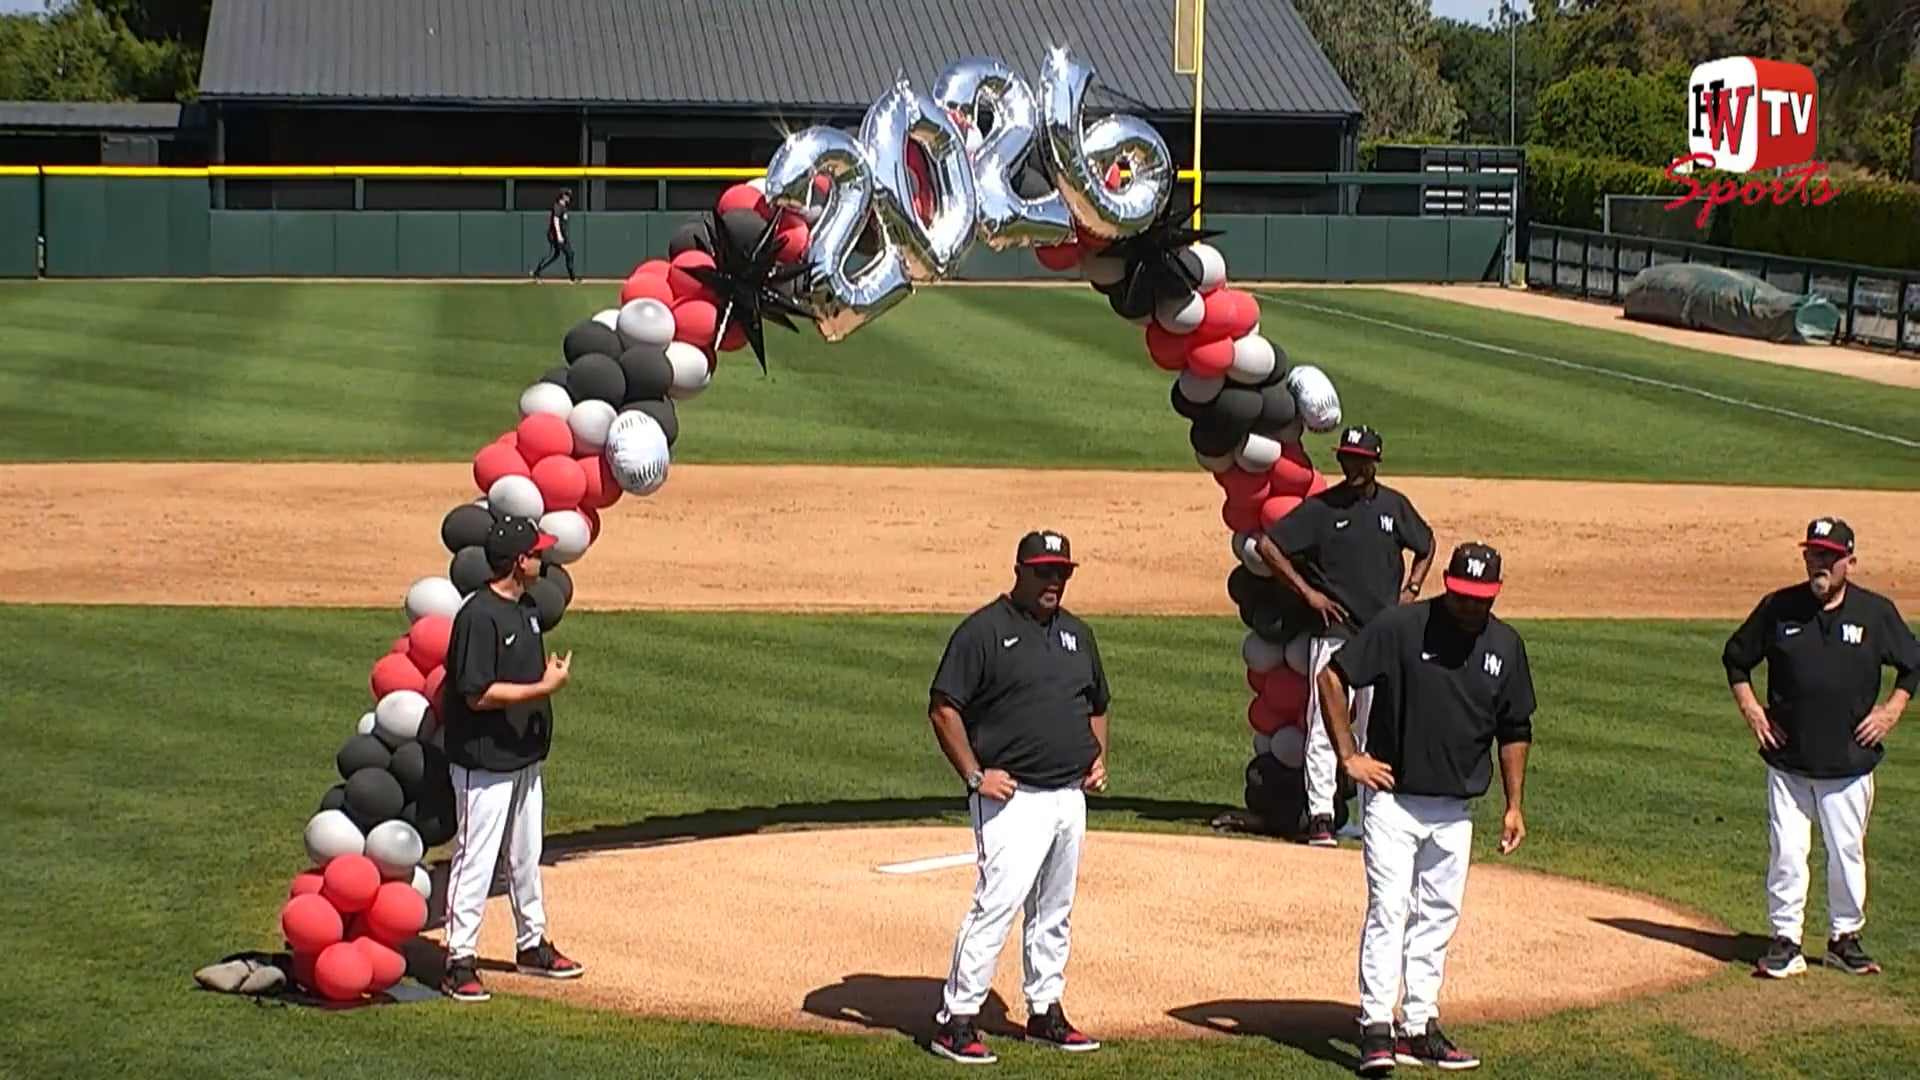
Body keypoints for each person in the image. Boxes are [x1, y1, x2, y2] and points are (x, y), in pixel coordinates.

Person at [1320, 541, 1533, 1075]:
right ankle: (1374, 1026)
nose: (1468, 606)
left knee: (1438, 917)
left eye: (1479, 599)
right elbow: (1332, 676)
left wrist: (1514, 805)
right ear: (1447, 583)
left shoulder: (1505, 646)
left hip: (1456, 809)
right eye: (1460, 595)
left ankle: (1418, 1024)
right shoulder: (1401, 627)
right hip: (1393, 801)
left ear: (1495, 594)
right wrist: (1350, 757)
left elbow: (1515, 728)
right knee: (1390, 910)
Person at [926, 529, 1111, 1064]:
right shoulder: (984, 631)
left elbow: (1097, 703)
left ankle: (1045, 1011)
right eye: (1045, 571)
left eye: (1063, 572)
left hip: (1066, 798)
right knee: (997, 905)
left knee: (1055, 909)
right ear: (1020, 571)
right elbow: (944, 707)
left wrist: (1096, 759)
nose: (1054, 581)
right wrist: (973, 775)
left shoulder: (1077, 634)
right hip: (1011, 798)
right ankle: (956, 1018)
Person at [1721, 517, 1918, 980]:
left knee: (1846, 852)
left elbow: (1913, 666)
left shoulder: (1876, 614)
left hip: (1848, 764)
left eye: (1830, 556)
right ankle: (1785, 941)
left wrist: (1891, 711)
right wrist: (1752, 712)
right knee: (1787, 852)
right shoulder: (1779, 607)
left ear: (1850, 560)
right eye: (1814, 553)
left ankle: (1843, 939)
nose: (1820, 563)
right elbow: (1736, 659)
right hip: (1789, 763)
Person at [1255, 424, 1434, 847]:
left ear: (1375, 462)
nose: (1353, 466)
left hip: (1381, 639)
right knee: (1323, 724)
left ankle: (1373, 814)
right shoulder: (1321, 509)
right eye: (1347, 458)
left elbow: (1425, 545)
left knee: (1377, 728)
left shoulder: (1394, 506)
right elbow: (1268, 546)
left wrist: (1411, 590)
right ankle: (1321, 814)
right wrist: (1308, 593)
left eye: (1361, 460)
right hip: (1335, 635)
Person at [438, 516, 585, 1002]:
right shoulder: (478, 616)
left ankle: (531, 943)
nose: (544, 558)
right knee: (475, 860)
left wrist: (541, 681)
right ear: (520, 561)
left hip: (523, 757)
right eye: (537, 551)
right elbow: (476, 695)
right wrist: (543, 687)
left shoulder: (525, 606)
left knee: (526, 855)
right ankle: (458, 959)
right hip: (484, 762)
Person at [529, 189, 578, 284]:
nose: (569, 197)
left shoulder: (563, 207)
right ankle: (572, 278)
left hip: (560, 236)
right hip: (555, 236)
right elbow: (556, 221)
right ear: (563, 196)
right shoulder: (558, 206)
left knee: (555, 255)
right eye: (567, 195)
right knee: (569, 253)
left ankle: (536, 272)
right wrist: (559, 235)